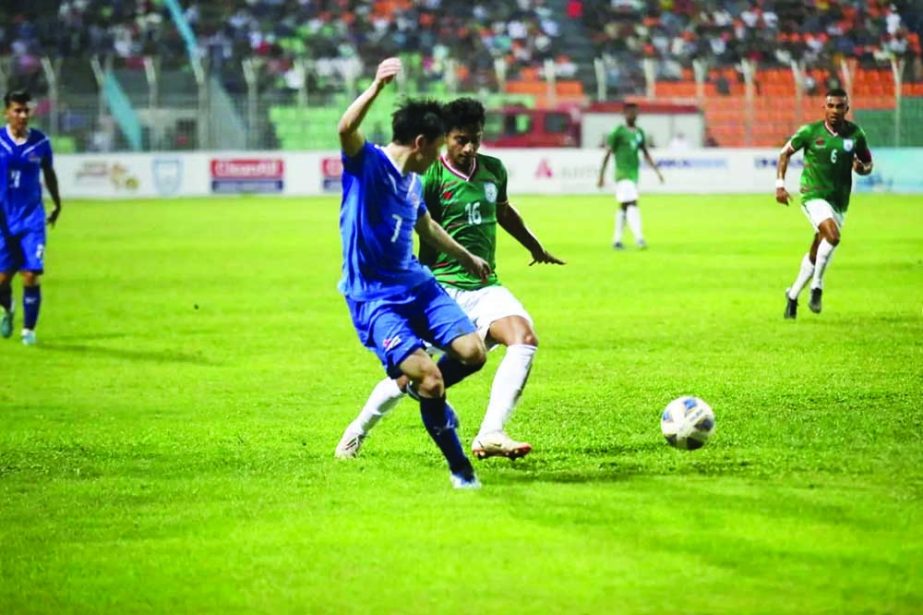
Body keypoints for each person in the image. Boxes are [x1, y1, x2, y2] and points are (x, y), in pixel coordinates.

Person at [336, 97, 564, 462]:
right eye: (460, 139)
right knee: (409, 378)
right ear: (443, 137)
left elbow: (503, 212)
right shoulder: (427, 176)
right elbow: (422, 232)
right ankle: (357, 429)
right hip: (439, 287)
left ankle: (490, 432)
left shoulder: (493, 170)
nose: (469, 147)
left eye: (476, 138)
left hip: (485, 287)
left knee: (524, 338)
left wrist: (534, 246)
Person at [336, 58, 492, 489]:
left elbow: (426, 226)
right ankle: (462, 471)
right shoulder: (369, 167)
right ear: (421, 143)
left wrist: (464, 257)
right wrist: (374, 88)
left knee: (474, 353)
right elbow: (346, 130)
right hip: (374, 298)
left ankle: (421, 390)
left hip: (419, 286)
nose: (441, 155)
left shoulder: (413, 182)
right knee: (431, 378)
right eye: (439, 146)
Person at [776, 88, 872, 319]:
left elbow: (868, 164)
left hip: (839, 200)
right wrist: (780, 184)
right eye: (831, 106)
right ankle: (817, 286)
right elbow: (784, 153)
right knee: (833, 236)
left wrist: (862, 169)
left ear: (846, 110)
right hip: (813, 195)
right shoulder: (810, 132)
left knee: (818, 248)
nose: (835, 111)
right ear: (824, 108)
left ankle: (792, 295)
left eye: (840, 107)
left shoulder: (855, 134)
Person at [0, 90, 62, 345]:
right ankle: (8, 308)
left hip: (31, 218)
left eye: (26, 110)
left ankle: (29, 331)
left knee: (30, 274)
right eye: (17, 110)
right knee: (2, 280)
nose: (23, 115)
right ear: (7, 112)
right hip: (3, 220)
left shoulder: (40, 142)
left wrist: (57, 203)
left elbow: (48, 173)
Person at [596, 102, 663, 250]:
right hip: (622, 174)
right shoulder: (618, 132)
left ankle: (617, 240)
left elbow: (645, 153)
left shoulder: (639, 132)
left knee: (624, 207)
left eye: (635, 112)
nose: (633, 115)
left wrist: (657, 172)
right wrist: (601, 175)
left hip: (633, 174)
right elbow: (608, 153)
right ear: (624, 114)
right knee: (633, 203)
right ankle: (639, 238)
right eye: (630, 112)